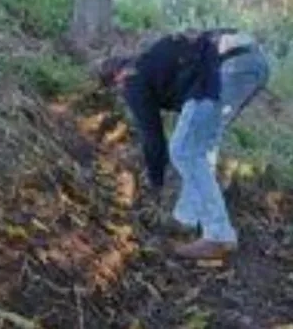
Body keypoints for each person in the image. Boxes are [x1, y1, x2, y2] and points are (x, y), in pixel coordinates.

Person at [96, 28, 271, 259]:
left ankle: (218, 235)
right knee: (201, 147)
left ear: (117, 78)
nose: (122, 95)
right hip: (252, 61)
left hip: (230, 67)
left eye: (115, 89)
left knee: (183, 150)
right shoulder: (155, 62)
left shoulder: (132, 78)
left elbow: (153, 138)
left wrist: (156, 184)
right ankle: (186, 217)